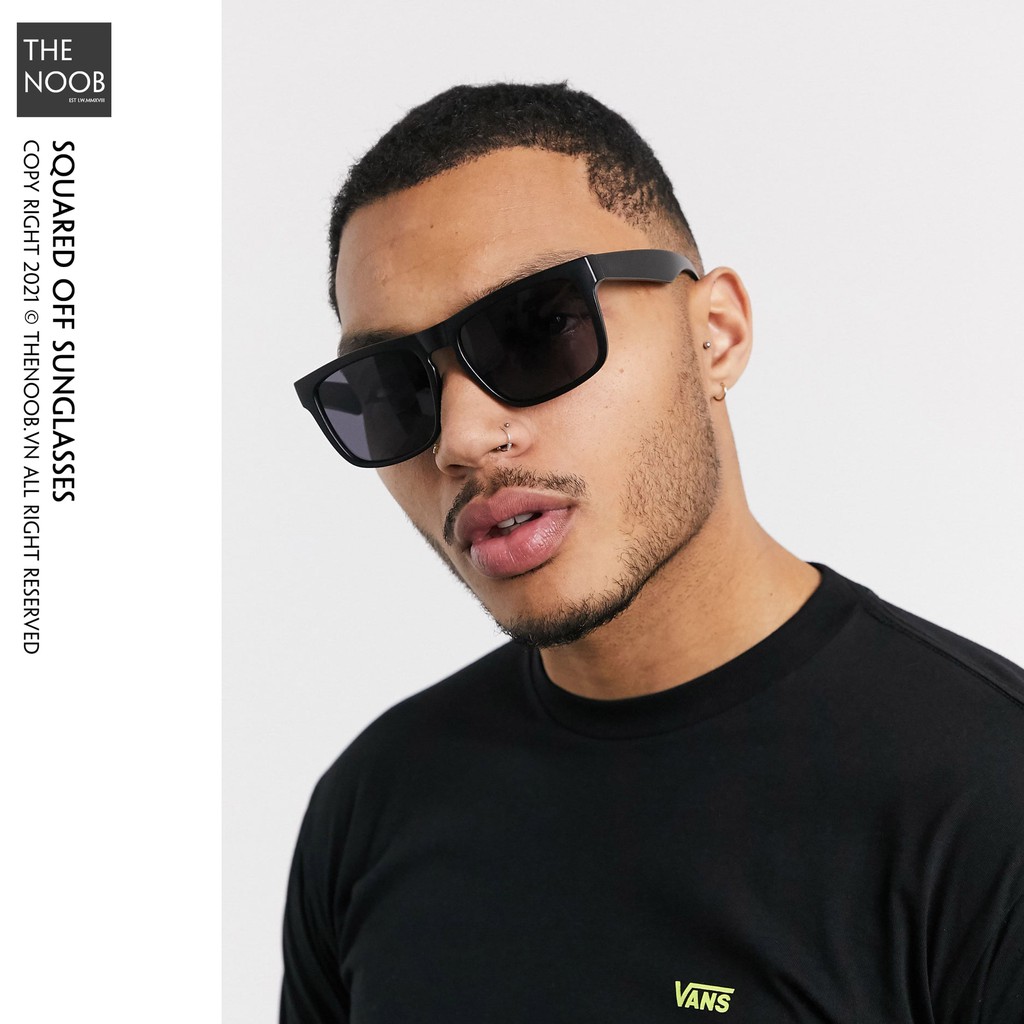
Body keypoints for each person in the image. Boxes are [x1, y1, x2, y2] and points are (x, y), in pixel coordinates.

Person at [282, 82, 1023, 1022]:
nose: (460, 439)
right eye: (391, 387)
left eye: (536, 330)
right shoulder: (372, 806)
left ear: (715, 336)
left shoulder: (986, 799)